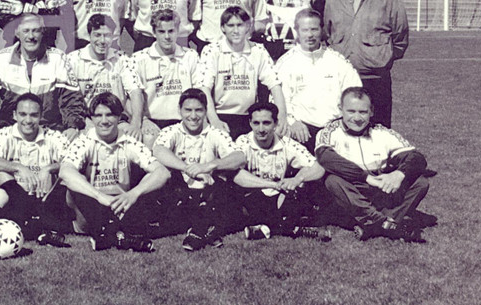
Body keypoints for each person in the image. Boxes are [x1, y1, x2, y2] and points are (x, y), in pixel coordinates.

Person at [315, 87, 430, 242]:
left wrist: (399, 174)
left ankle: (377, 224)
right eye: (351, 111)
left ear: (371, 111)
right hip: (352, 190)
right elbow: (326, 158)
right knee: (332, 181)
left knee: (421, 182)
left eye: (363, 112)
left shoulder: (382, 132)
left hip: (380, 189)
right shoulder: (329, 131)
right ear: (340, 109)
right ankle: (384, 221)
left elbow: (417, 158)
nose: (357, 118)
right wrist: (366, 178)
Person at [59, 93, 170, 252]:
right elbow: (65, 172)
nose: (104, 121)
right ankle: (115, 233)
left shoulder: (129, 142)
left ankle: (109, 235)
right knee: (74, 179)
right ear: (92, 119)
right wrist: (100, 196)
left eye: (109, 115)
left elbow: (163, 172)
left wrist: (133, 194)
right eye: (98, 115)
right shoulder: (83, 141)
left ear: (119, 117)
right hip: (93, 203)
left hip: (121, 203)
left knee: (151, 178)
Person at [324, 0, 409, 128]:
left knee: (378, 131)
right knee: (340, 130)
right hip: (341, 79)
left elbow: (400, 36)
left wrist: (381, 58)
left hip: (375, 79)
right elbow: (326, 35)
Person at [151, 89, 245, 251]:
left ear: (206, 111)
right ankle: (205, 230)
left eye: (198, 110)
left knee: (226, 185)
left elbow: (240, 157)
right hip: (181, 193)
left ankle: (198, 230)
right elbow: (158, 151)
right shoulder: (171, 131)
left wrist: (209, 166)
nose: (193, 116)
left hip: (208, 192)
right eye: (188, 110)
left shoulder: (215, 133)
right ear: (179, 110)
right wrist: (189, 169)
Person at [0, 13, 87, 142]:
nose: (31, 36)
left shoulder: (58, 58)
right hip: (10, 128)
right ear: (17, 33)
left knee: (78, 143)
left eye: (36, 31)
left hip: (49, 129)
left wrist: (72, 126)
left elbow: (72, 98)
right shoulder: (2, 58)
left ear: (43, 33)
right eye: (26, 31)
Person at [0, 93, 72, 247]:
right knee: (1, 175)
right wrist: (18, 167)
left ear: (41, 116)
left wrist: (49, 168)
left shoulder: (53, 136)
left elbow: (72, 163)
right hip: (12, 200)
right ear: (14, 115)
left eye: (34, 115)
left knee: (64, 176)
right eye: (23, 114)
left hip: (41, 199)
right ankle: (34, 223)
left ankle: (39, 224)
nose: (28, 120)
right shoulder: (3, 135)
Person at [232, 102, 327, 241]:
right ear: (250, 123)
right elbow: (236, 175)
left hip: (279, 197)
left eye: (266, 123)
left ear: (275, 124)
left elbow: (318, 167)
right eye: (256, 123)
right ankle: (290, 228)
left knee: (304, 189)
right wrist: (272, 184)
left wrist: (297, 179)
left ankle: (267, 228)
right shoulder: (243, 142)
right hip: (254, 195)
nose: (261, 129)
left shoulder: (287, 143)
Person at [275, 9, 361, 151]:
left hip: (336, 129)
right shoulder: (285, 64)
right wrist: (293, 122)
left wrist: (343, 124)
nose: (310, 35)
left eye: (314, 29)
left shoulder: (339, 62)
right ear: (297, 31)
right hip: (301, 131)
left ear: (322, 30)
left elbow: (355, 95)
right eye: (305, 30)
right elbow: (278, 100)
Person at [197, 7, 288, 140]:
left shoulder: (258, 50)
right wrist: (214, 120)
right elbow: (204, 88)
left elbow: (275, 85)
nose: (235, 30)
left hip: (250, 118)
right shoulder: (211, 50)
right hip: (219, 115)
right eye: (230, 25)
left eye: (240, 25)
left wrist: (282, 117)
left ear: (248, 26)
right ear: (222, 28)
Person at [64, 14, 145, 140]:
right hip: (86, 119)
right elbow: (67, 98)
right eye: (97, 35)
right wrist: (80, 123)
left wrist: (135, 124)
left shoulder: (122, 58)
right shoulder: (72, 60)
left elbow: (135, 91)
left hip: (116, 119)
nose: (102, 41)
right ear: (89, 35)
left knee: (133, 138)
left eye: (107, 35)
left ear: (113, 36)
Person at [131, 9, 203, 131]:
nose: (167, 37)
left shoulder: (191, 56)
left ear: (178, 30)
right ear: (154, 32)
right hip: (152, 122)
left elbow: (200, 92)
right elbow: (131, 97)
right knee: (149, 137)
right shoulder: (138, 59)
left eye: (171, 31)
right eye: (161, 31)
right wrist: (144, 120)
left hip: (185, 121)